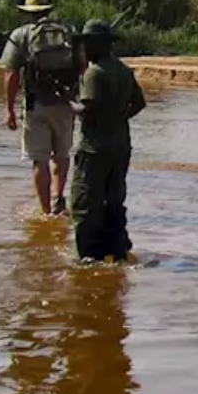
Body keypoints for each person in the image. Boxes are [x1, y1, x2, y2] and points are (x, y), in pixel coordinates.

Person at [69, 19, 146, 262]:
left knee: (83, 203)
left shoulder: (95, 72)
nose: (85, 49)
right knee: (114, 200)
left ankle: (88, 257)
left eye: (88, 43)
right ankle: (117, 251)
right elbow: (140, 103)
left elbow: (87, 110)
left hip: (94, 149)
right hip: (120, 146)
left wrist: (69, 103)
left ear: (101, 45)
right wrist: (118, 117)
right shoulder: (123, 70)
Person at [1, 0, 79, 216]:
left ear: (28, 13)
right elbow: (82, 65)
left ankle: (46, 213)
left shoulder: (21, 35)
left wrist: (9, 110)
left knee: (39, 160)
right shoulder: (68, 31)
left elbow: (11, 74)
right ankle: (58, 197)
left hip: (36, 105)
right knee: (62, 154)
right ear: (48, 9)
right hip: (65, 104)